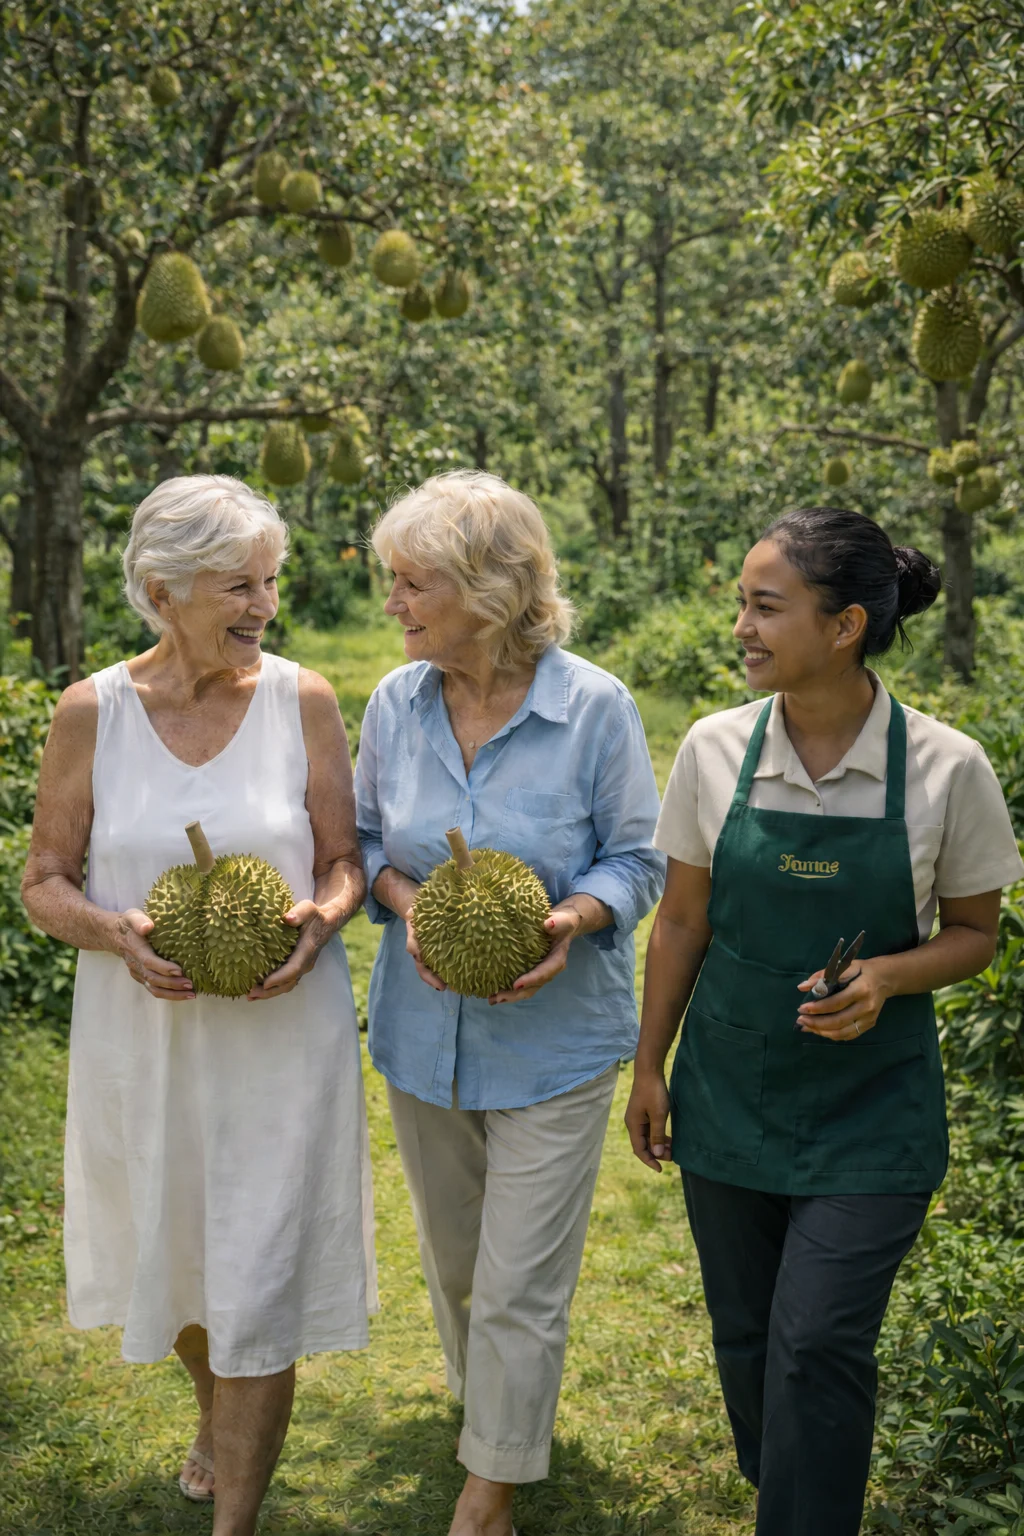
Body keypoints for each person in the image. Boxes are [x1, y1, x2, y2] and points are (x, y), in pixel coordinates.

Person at [624, 505, 1024, 1536]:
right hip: (729, 1091)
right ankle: (792, 1492)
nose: (742, 628)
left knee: (816, 1342)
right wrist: (650, 1065)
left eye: (766, 607)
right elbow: (682, 921)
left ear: (844, 626)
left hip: (871, 1109)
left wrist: (887, 975)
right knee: (751, 1338)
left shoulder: (946, 768)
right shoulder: (715, 749)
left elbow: (976, 934)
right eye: (742, 606)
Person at [22, 475, 376, 1536]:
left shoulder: (303, 699)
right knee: (170, 1261)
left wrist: (321, 919)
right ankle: (217, 1414)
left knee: (258, 1275)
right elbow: (44, 882)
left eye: (268, 580)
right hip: (145, 1039)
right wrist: (110, 930)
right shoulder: (91, 711)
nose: (265, 604)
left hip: (281, 1036)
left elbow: (343, 860)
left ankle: (237, 1519)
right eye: (239, 585)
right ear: (162, 589)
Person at [354, 470, 664, 1536]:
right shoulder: (394, 705)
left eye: (412, 582)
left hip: (555, 1042)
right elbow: (366, 844)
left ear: (488, 590)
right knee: (455, 1265)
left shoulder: (594, 709)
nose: (392, 602)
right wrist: (413, 906)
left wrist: (570, 919)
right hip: (421, 1031)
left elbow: (638, 859)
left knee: (520, 1277)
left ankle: (488, 1493)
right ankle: (490, 1412)